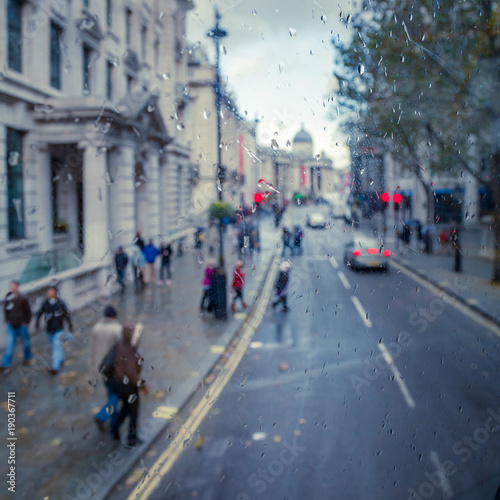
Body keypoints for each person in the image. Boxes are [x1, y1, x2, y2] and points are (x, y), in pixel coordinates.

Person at [107, 323, 147, 447]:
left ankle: (114, 428)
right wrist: (142, 385)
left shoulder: (120, 345)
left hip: (119, 384)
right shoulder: (129, 350)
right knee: (134, 411)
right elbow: (131, 373)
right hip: (129, 386)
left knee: (125, 408)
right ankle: (132, 438)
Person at [91, 306, 122, 433]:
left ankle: (113, 420)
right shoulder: (117, 329)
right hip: (112, 367)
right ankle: (102, 416)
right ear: (114, 316)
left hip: (100, 366)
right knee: (117, 395)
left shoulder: (96, 328)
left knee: (110, 392)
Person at [35, 286, 73, 375]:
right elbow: (39, 313)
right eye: (48, 293)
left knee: (56, 347)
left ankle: (54, 367)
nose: (48, 294)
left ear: (55, 294)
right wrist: (37, 323)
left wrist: (70, 325)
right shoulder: (46, 304)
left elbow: (67, 315)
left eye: (50, 292)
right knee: (55, 346)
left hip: (59, 329)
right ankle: (61, 358)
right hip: (49, 329)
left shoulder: (61, 303)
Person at [1, 280, 32, 375]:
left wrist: (26, 322)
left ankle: (28, 357)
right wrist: (7, 320)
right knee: (9, 345)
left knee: (26, 343)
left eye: (13, 286)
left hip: (21, 325)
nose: (12, 288)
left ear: (17, 287)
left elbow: (28, 312)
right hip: (11, 326)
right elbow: (6, 310)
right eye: (11, 286)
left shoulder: (23, 299)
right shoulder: (8, 298)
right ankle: (5, 364)